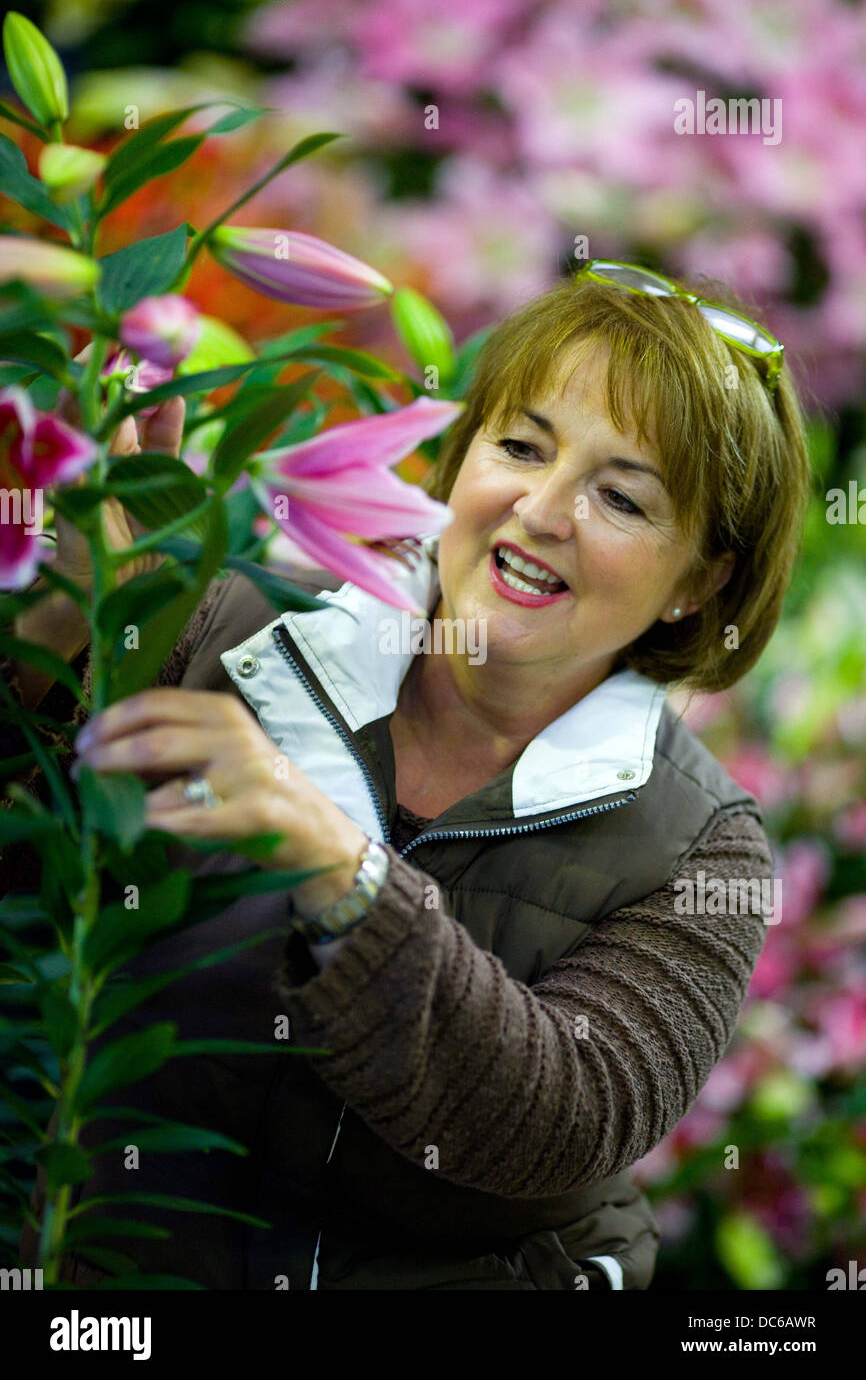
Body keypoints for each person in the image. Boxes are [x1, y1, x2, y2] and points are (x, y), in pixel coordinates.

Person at [8, 260, 811, 1290]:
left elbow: (560, 1117)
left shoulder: (703, 847)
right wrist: (62, 628)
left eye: (618, 496)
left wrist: (338, 867)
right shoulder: (231, 623)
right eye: (519, 445)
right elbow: (30, 879)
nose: (541, 507)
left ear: (699, 583)